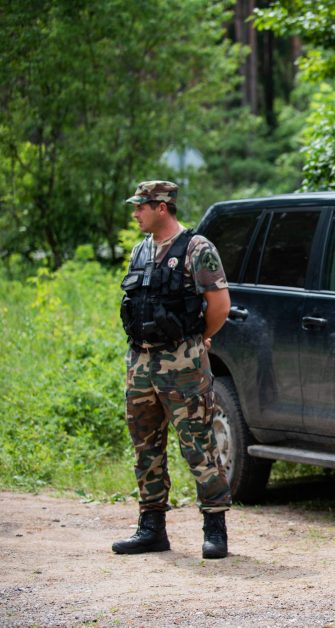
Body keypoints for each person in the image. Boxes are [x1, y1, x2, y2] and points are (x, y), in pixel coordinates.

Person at [112, 180, 233, 559]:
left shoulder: (197, 249)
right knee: (144, 447)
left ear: (161, 207)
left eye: (141, 207)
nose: (135, 213)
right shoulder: (140, 250)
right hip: (141, 364)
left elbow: (220, 304)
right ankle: (151, 527)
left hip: (183, 365)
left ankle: (215, 528)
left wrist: (200, 339)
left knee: (198, 445)